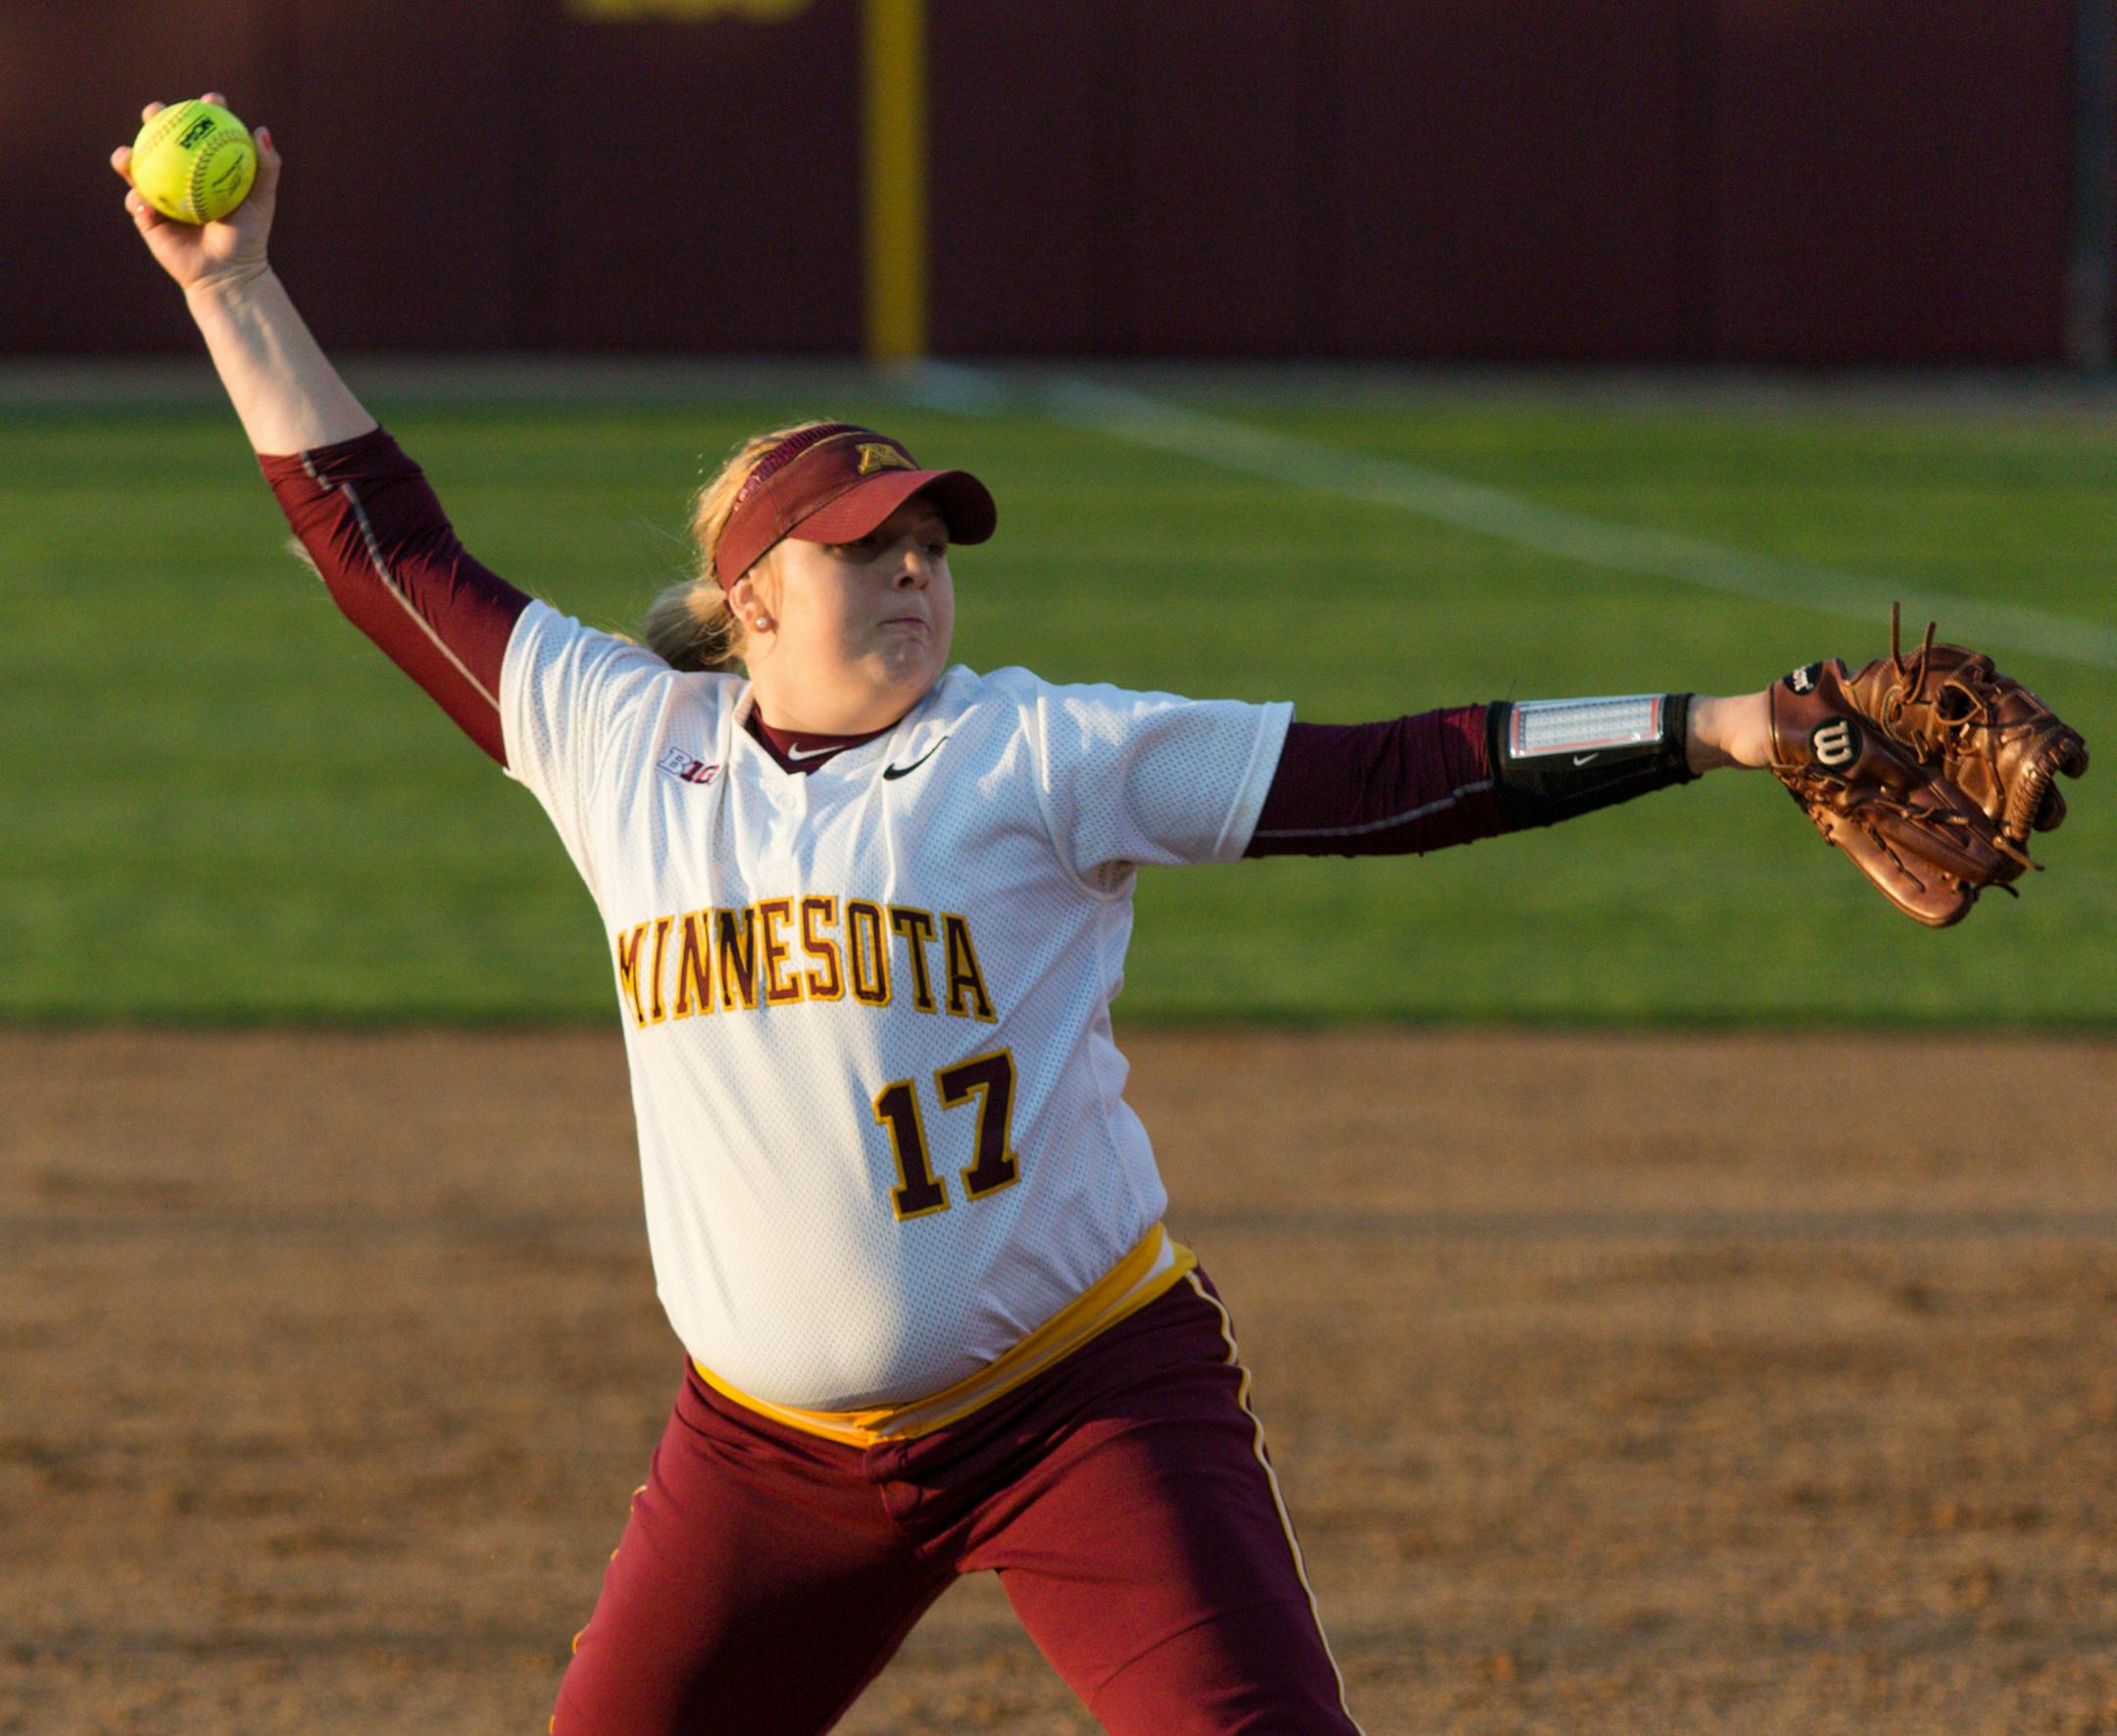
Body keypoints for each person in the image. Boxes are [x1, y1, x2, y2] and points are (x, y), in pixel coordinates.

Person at [115, 97, 1778, 1736]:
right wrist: (227, 287)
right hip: (761, 1461)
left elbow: (1392, 776)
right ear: (750, 599)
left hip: (1083, 1407)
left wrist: (1719, 726)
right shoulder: (623, 740)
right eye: (860, 548)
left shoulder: (1040, 751)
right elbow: (372, 536)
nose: (911, 568)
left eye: (927, 540)